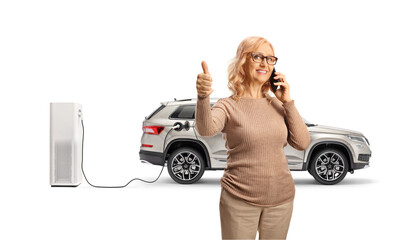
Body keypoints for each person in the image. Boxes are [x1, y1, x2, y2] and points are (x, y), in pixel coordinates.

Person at [195, 36, 310, 240]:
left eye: (270, 58)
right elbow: (206, 129)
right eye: (257, 56)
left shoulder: (278, 105)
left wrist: (288, 101)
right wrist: (203, 97)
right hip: (239, 199)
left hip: (281, 200)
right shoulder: (228, 104)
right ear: (242, 61)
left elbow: (301, 143)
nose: (265, 63)